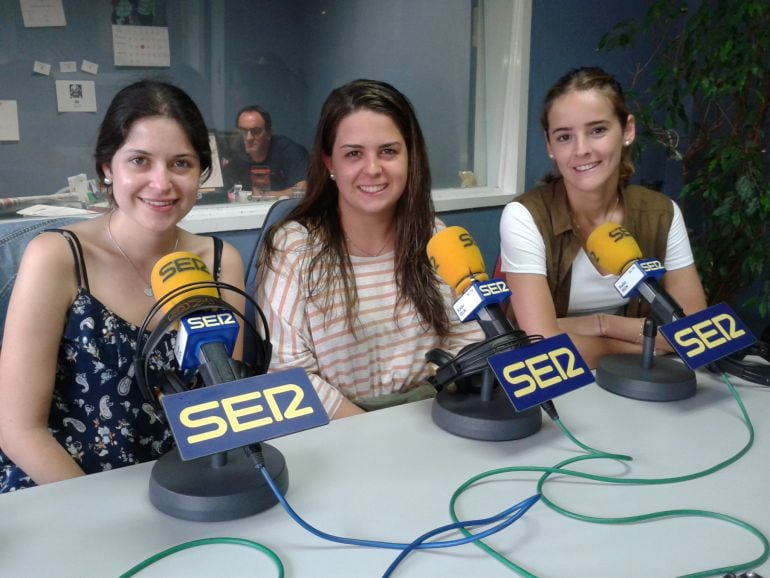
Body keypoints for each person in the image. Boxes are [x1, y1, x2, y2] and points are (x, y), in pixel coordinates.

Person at [0, 80, 246, 491]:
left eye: (181, 164)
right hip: (63, 489)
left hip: (181, 487)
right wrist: (100, 512)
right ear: (107, 169)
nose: (161, 183)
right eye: (139, 161)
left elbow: (225, 403)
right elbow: (17, 429)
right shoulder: (57, 257)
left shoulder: (220, 262)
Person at [256, 79, 484, 419]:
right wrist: (373, 431)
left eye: (388, 151)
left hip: (432, 413)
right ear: (329, 163)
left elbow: (470, 336)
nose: (373, 169)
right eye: (353, 154)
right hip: (338, 427)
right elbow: (286, 373)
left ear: (410, 157)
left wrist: (431, 405)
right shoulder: (294, 248)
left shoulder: (437, 238)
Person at [499, 66, 707, 368]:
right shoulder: (525, 216)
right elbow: (543, 346)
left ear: (627, 130)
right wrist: (648, 347)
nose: (581, 150)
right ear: (549, 146)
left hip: (638, 379)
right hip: (557, 383)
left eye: (597, 130)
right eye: (564, 136)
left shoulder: (661, 213)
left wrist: (602, 324)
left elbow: (694, 329)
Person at [223, 104, 309, 197]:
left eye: (256, 131)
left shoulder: (289, 151)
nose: (248, 138)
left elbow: (303, 189)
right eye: (242, 131)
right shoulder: (236, 154)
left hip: (287, 205)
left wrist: (266, 195)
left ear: (269, 133)